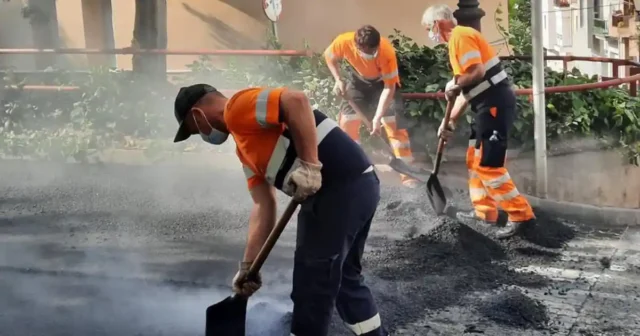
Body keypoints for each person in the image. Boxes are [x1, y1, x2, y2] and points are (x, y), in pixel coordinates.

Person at [172, 84, 388, 336]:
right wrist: (248, 266)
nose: (203, 136)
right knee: (343, 279)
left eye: (195, 131)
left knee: (312, 284)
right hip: (351, 187)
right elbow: (263, 206)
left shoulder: (237, 108)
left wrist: (309, 164)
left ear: (197, 115)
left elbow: (295, 100)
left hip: (340, 188)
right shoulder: (245, 150)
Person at [420, 5, 536, 239]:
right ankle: (485, 211)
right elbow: (468, 90)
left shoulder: (460, 37)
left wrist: (457, 83)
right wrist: (449, 121)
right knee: (474, 160)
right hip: (485, 105)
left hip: (494, 105)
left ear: (437, 24)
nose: (429, 34)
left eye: (427, 28)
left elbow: (477, 72)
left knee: (488, 165)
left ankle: (521, 216)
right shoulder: (460, 40)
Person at [325, 25, 424, 189]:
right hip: (357, 82)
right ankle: (353, 170)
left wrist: (377, 118)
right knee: (347, 123)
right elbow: (329, 57)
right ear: (357, 46)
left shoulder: (386, 52)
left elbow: (389, 88)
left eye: (373, 51)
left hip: (382, 84)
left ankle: (407, 176)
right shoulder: (344, 42)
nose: (371, 55)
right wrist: (338, 79)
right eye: (367, 52)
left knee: (394, 125)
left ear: (378, 45)